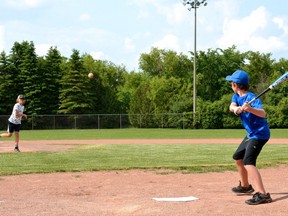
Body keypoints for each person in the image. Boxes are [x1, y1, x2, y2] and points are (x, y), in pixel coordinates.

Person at [226, 70, 272, 205]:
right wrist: (237, 109)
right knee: (238, 157)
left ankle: (263, 194)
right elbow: (232, 106)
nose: (231, 85)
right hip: (251, 134)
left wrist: (250, 109)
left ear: (235, 84)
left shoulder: (252, 97)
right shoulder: (236, 97)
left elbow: (263, 113)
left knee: (248, 161)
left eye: (231, 83)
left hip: (260, 134)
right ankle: (246, 186)